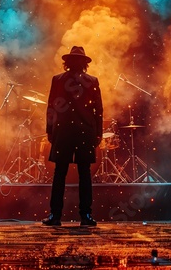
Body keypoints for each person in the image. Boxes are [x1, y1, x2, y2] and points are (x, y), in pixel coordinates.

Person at [42, 46, 103, 226]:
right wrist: (98, 132)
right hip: (82, 131)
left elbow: (51, 107)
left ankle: (56, 216)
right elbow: (98, 110)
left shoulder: (59, 80)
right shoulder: (90, 80)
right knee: (82, 173)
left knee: (61, 173)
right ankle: (85, 216)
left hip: (65, 131)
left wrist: (50, 130)